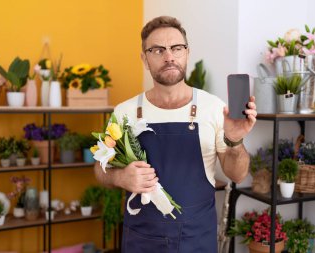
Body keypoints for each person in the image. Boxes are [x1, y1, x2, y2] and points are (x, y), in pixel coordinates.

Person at [94, 16, 257, 253]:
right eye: (158, 50)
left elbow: (238, 175)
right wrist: (120, 178)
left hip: (197, 239)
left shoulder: (213, 108)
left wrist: (235, 141)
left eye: (176, 48)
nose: (169, 56)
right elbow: (99, 168)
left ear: (187, 53)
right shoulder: (125, 112)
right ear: (145, 59)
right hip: (141, 239)